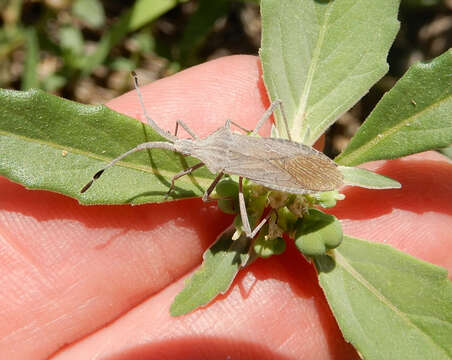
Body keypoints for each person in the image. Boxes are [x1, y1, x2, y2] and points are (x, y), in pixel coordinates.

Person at [1, 55, 450, 359]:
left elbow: (198, 170)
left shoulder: (213, 162)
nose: (173, 143)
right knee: (185, 149)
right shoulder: (211, 152)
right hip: (251, 154)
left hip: (264, 164)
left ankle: (258, 228)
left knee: (238, 202)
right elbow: (184, 139)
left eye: (178, 147)